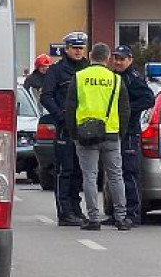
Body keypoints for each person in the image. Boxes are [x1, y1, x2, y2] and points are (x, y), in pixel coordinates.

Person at [65, 42, 131, 231]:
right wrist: (120, 133)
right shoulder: (116, 79)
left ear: (91, 55)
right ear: (108, 57)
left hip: (85, 134)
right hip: (111, 134)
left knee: (89, 177)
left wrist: (74, 134)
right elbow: (125, 110)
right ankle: (121, 217)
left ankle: (93, 218)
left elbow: (70, 108)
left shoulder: (79, 77)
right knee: (116, 177)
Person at [41, 32, 90, 226]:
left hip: (85, 128)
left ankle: (76, 208)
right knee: (65, 170)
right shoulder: (57, 71)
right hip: (65, 128)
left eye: (81, 48)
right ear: (66, 49)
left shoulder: (88, 68)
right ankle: (65, 212)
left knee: (79, 171)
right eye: (74, 48)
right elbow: (46, 96)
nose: (78, 51)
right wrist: (61, 117)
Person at [112, 44, 155, 226]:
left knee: (129, 173)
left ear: (130, 60)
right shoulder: (115, 77)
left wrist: (127, 110)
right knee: (115, 174)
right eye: (115, 58)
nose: (118, 62)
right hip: (116, 131)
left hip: (129, 132)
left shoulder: (132, 78)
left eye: (122, 59)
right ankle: (118, 213)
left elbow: (148, 98)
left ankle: (133, 213)